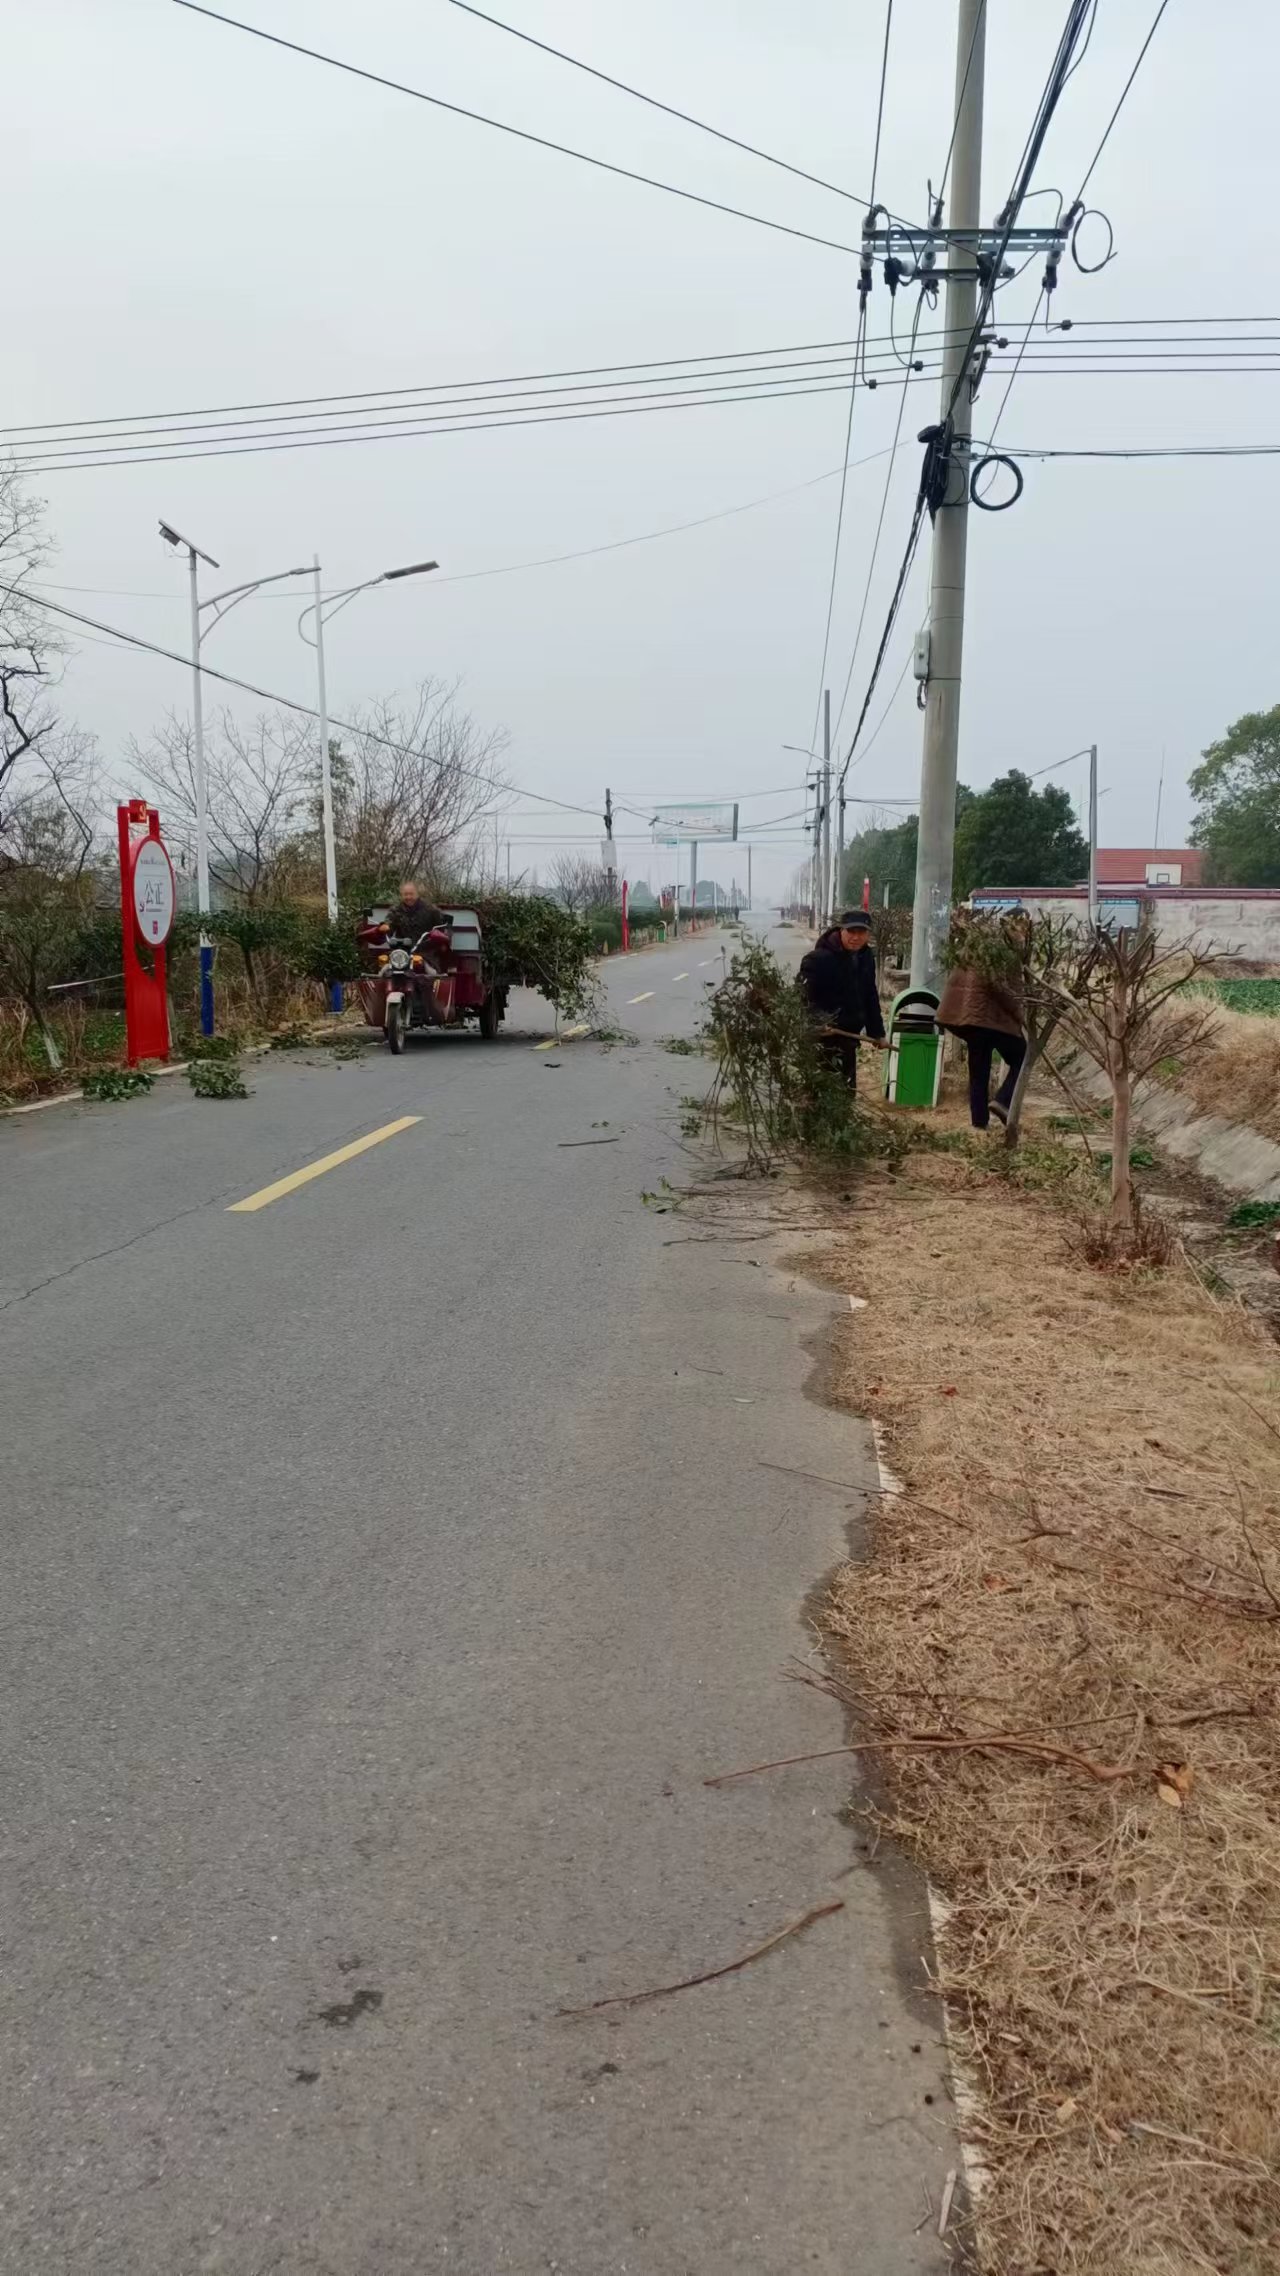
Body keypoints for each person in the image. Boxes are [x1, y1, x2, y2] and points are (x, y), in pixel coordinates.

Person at [936, 922, 1027, 1129]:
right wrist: (1018, 1013)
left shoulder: (974, 946)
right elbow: (1002, 988)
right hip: (990, 1019)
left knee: (978, 1069)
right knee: (1022, 1057)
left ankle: (979, 1123)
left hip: (969, 1018)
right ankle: (1003, 1101)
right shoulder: (1005, 950)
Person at [798, 910, 886, 1089]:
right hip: (822, 1039)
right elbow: (802, 997)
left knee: (845, 1092)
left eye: (861, 932)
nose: (856, 937)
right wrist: (820, 1021)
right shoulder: (819, 959)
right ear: (841, 931)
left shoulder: (865, 957)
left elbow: (869, 994)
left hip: (848, 1039)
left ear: (868, 934)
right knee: (819, 1093)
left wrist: (877, 1033)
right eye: (851, 931)